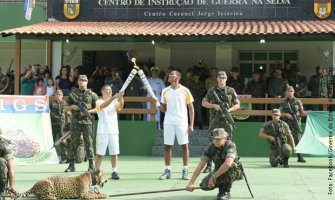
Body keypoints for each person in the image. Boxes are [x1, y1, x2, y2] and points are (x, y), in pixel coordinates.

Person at [186, 128, 243, 200]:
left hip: (234, 171)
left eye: (218, 139)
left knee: (230, 166)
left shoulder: (230, 145)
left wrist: (214, 177)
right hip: (218, 171)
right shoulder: (210, 147)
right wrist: (191, 182)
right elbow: (201, 165)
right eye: (214, 139)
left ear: (225, 138)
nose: (216, 141)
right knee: (204, 185)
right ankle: (222, 185)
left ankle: (225, 191)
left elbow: (228, 164)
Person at [158, 70, 194, 180]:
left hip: (182, 122)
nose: (169, 76)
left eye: (172, 74)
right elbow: (164, 108)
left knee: (184, 146)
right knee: (167, 146)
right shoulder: (165, 91)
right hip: (169, 122)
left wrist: (191, 124)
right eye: (169, 74)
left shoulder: (185, 90)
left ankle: (185, 170)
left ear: (178, 77)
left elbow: (191, 108)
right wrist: (157, 105)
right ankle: (167, 171)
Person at [202, 71, 240, 173]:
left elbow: (237, 104)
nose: (222, 79)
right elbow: (204, 103)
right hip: (215, 121)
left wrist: (229, 110)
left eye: (223, 78)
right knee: (212, 142)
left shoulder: (230, 90)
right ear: (217, 79)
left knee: (228, 142)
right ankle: (209, 165)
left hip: (227, 121)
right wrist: (214, 106)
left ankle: (229, 164)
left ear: (226, 79)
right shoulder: (212, 90)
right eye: (220, 77)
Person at [64, 75, 98, 172]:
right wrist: (72, 107)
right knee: (74, 143)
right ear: (78, 82)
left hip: (87, 122)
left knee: (89, 143)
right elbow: (65, 108)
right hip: (75, 122)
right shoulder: (73, 94)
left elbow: (98, 109)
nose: (82, 82)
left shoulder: (92, 94)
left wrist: (88, 112)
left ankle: (91, 165)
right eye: (80, 80)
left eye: (84, 80)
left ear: (87, 82)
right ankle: (71, 165)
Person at [95, 85, 124, 180]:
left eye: (111, 90)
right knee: (100, 154)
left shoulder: (114, 101)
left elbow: (120, 108)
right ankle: (96, 172)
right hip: (102, 132)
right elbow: (103, 106)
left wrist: (121, 97)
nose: (110, 91)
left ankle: (114, 171)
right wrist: (113, 98)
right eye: (108, 90)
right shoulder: (98, 101)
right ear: (102, 91)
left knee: (114, 153)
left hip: (113, 131)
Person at [280, 86, 308, 163]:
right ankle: (284, 158)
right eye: (287, 91)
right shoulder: (284, 102)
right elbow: (279, 113)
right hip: (286, 124)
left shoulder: (298, 101)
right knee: (285, 140)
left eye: (290, 91)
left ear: (293, 92)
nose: (288, 93)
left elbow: (302, 112)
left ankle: (300, 156)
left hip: (296, 123)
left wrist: (309, 113)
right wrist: (285, 114)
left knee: (298, 140)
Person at [50, 90, 68, 163]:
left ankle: (64, 158)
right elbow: (50, 113)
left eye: (60, 94)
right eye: (57, 94)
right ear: (55, 95)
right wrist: (56, 117)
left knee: (62, 141)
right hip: (54, 124)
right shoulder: (52, 104)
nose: (58, 96)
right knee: (52, 141)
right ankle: (51, 157)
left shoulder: (65, 103)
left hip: (62, 125)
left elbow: (68, 113)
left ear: (62, 95)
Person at [0, 128, 15, 196]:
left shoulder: (5, 146)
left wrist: (11, 186)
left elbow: (10, 168)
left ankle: (2, 190)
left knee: (1, 161)